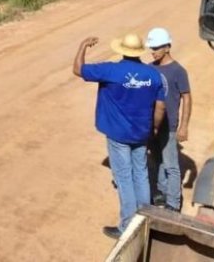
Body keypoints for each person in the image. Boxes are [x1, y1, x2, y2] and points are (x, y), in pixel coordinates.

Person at [74, 32, 166, 240]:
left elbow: (78, 69)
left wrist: (82, 46)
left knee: (124, 178)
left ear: (122, 50)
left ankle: (128, 226)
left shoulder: (111, 70)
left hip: (118, 134)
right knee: (141, 175)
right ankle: (145, 221)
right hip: (141, 132)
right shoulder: (153, 75)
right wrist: (154, 129)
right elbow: (160, 106)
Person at [146, 27, 191, 212]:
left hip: (170, 126)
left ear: (167, 47)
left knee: (171, 165)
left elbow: (186, 97)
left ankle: (173, 203)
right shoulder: (149, 68)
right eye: (151, 47)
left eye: (156, 47)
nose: (153, 51)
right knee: (156, 160)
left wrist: (183, 126)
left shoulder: (178, 71)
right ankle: (161, 194)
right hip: (152, 125)